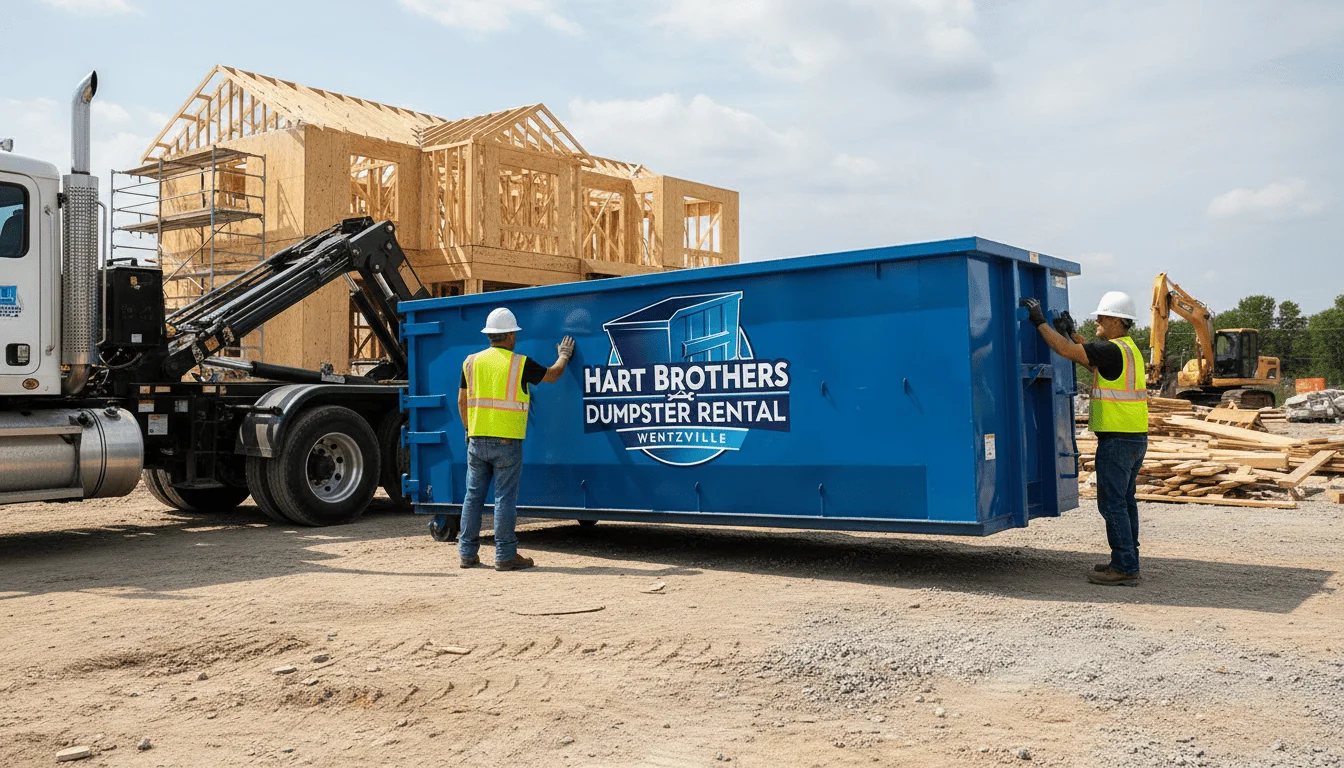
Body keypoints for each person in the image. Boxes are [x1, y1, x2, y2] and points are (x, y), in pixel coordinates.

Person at [1022, 291, 1148, 586]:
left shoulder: (1112, 349)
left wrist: (1040, 323)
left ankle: (1125, 566)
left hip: (1117, 440)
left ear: (1116, 320)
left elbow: (1067, 352)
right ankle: (1127, 558)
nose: (1097, 322)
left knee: (1112, 504)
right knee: (1125, 502)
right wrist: (1071, 332)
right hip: (1133, 438)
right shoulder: (1128, 349)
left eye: (1101, 317)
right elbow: (1091, 360)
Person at [458, 307, 575, 571]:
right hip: (507, 442)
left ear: (490, 334)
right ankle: (505, 555)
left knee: (473, 497)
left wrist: (468, 429)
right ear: (510, 335)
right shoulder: (519, 363)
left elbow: (461, 400)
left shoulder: (471, 362)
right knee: (504, 498)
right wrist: (564, 356)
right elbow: (552, 375)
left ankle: (467, 553)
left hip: (476, 439)